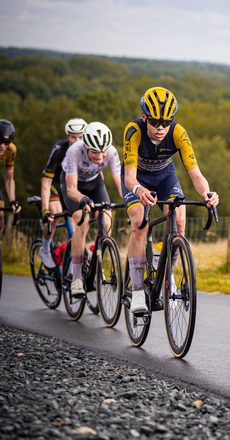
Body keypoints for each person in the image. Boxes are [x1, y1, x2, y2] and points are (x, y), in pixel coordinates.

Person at [122, 87, 219, 314]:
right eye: (155, 122)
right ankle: (137, 292)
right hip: (138, 178)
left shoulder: (178, 133)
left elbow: (195, 174)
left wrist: (206, 193)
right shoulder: (133, 130)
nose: (161, 128)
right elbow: (128, 177)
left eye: (167, 122)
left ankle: (169, 277)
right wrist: (138, 190)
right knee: (139, 222)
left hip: (166, 176)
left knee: (179, 220)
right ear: (145, 117)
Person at [60, 122, 123, 297]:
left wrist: (130, 200)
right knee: (83, 221)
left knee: (107, 222)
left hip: (95, 183)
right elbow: (71, 189)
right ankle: (77, 278)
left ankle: (95, 262)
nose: (101, 156)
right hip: (74, 186)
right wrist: (82, 199)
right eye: (95, 152)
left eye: (103, 151)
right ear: (86, 146)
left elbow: (120, 184)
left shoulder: (110, 152)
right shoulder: (74, 152)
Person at [38, 118, 87, 269]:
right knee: (56, 212)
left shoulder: (88, 149)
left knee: (73, 221)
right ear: (67, 136)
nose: (77, 140)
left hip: (69, 185)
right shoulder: (59, 149)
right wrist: (45, 209)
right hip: (53, 183)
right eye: (73, 137)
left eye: (81, 137)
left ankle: (71, 258)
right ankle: (45, 248)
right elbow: (46, 183)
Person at [0, 120, 21, 239]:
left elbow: (9, 179)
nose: (3, 146)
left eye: (6, 143)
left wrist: (12, 201)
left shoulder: (11, 150)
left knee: (0, 217)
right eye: (0, 141)